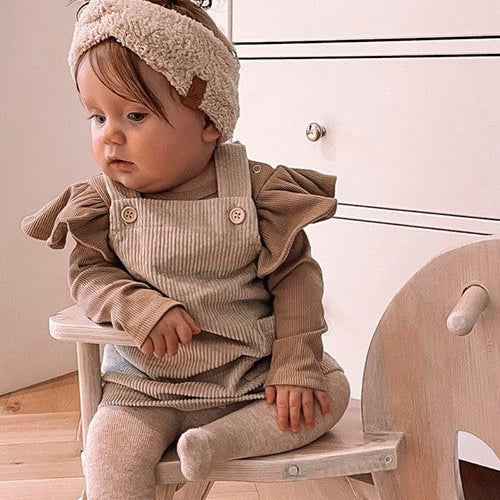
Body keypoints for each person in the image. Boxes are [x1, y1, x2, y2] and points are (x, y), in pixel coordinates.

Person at [20, 0, 350, 497]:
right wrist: (137, 305)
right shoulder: (104, 202)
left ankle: (219, 443)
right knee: (108, 448)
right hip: (146, 387)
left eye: (134, 115)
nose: (111, 136)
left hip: (253, 376)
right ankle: (198, 445)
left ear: (209, 120)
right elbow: (88, 276)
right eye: (97, 117)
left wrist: (294, 363)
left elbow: (297, 276)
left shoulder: (255, 192)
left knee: (330, 392)